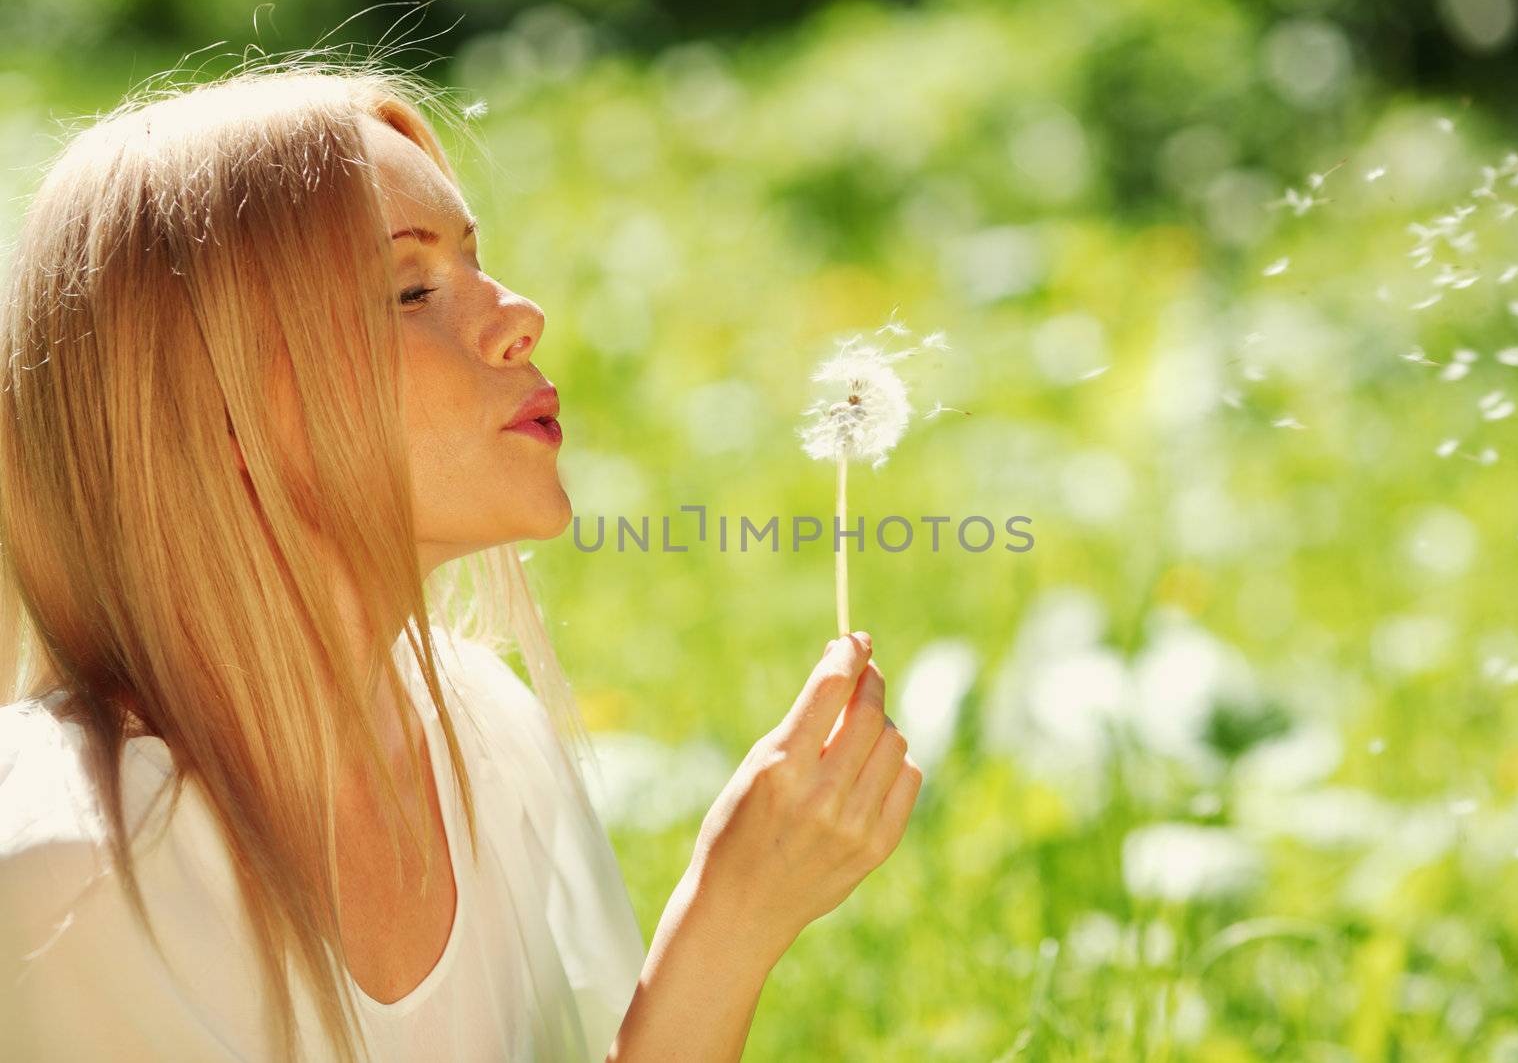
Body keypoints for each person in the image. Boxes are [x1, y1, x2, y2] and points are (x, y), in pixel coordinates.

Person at [0, 58, 922, 1062]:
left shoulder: (484, 740)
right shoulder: (68, 867)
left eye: (477, 263)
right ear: (214, 411)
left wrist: (736, 925)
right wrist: (722, 925)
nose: (521, 314)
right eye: (408, 288)